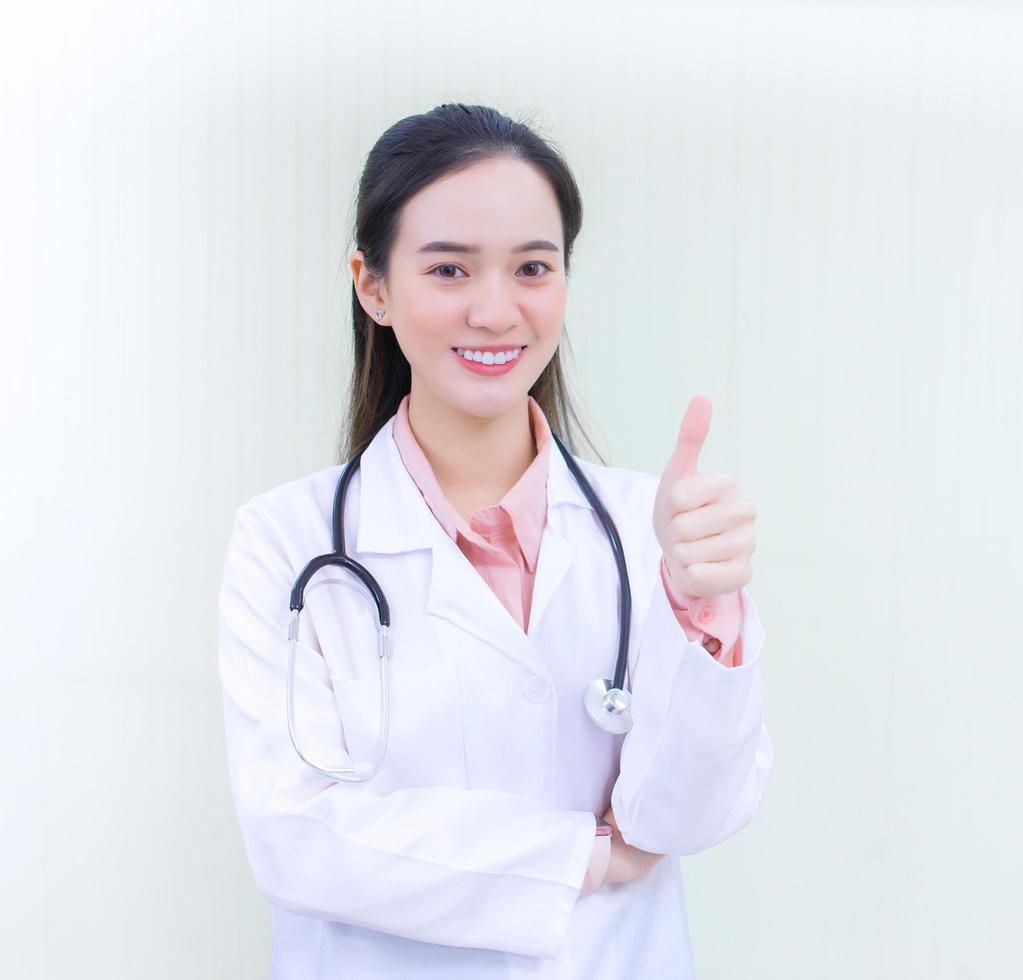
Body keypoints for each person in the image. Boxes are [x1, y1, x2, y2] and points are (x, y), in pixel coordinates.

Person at [216, 103, 773, 979]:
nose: (495, 310)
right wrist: (577, 858)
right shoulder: (285, 544)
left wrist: (701, 607)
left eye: (532, 268)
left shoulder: (654, 532)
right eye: (448, 269)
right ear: (372, 286)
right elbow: (296, 838)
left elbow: (688, 818)